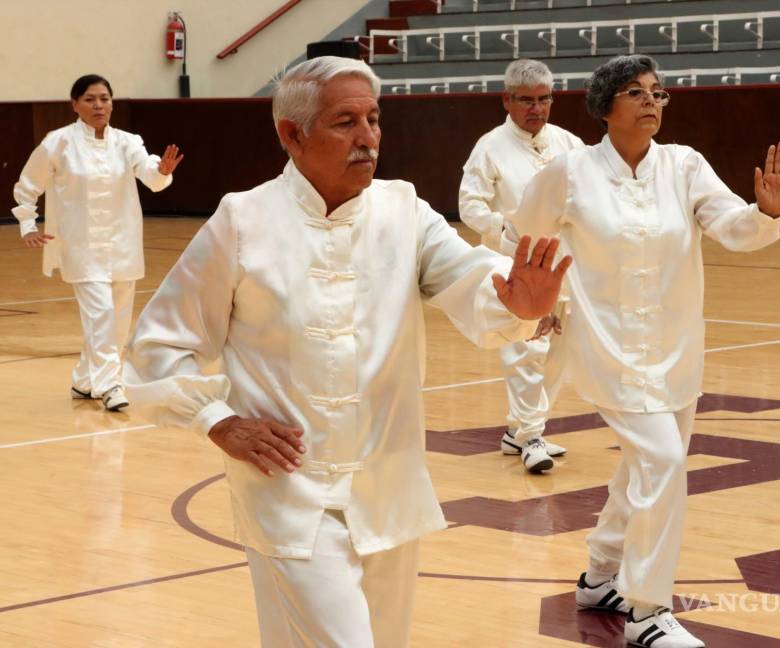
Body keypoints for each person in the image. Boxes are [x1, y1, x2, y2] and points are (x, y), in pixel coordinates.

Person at [123, 56, 570, 648]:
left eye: (374, 119)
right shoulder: (242, 221)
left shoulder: (403, 210)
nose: (368, 139)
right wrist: (218, 422)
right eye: (345, 123)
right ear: (292, 134)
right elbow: (157, 347)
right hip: (288, 493)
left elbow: (472, 280)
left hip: (387, 490)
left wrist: (519, 304)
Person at [505, 55, 780, 648]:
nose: (651, 102)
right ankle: (647, 611)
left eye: (659, 93)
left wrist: (766, 210)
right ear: (605, 106)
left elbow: (733, 229)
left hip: (677, 347)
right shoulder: (568, 173)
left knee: (645, 465)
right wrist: (533, 308)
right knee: (663, 463)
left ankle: (599, 576)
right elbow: (519, 240)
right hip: (606, 347)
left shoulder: (685, 165)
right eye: (636, 93)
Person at [11, 74, 183, 411]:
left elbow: (152, 177)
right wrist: (27, 224)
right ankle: (109, 385)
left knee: (116, 321)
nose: (98, 105)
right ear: (74, 104)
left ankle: (84, 381)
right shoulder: (57, 142)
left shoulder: (128, 142)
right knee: (101, 315)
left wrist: (162, 170)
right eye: (90, 99)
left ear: (112, 102)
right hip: (81, 247)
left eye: (104, 98)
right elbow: (28, 185)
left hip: (123, 246)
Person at [459, 59, 583, 473]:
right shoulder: (489, 146)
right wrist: (506, 234)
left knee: (558, 354)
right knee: (527, 352)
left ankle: (523, 430)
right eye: (526, 100)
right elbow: (470, 205)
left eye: (544, 99)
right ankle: (531, 437)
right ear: (507, 100)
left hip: (566, 265)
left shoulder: (569, 144)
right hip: (516, 268)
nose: (537, 108)